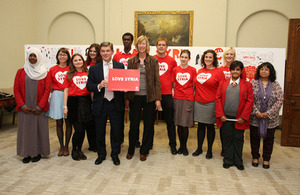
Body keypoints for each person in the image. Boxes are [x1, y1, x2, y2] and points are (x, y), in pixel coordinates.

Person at [87, 42, 125, 166]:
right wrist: (99, 85)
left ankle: (115, 154)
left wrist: (124, 88)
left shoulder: (120, 66)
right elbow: (89, 86)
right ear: (100, 53)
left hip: (115, 102)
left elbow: (123, 82)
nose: (105, 53)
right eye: (103, 51)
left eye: (108, 51)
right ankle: (101, 154)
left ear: (112, 52)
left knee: (116, 130)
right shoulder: (94, 68)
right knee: (99, 130)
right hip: (101, 103)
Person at [125, 35, 161, 161]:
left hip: (149, 98)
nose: (141, 46)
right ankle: (130, 149)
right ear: (136, 46)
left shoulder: (153, 61)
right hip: (135, 97)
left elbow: (157, 81)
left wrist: (158, 99)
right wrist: (127, 98)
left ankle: (144, 150)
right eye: (139, 43)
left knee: (148, 125)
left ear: (147, 46)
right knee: (133, 125)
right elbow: (128, 80)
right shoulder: (131, 61)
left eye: (144, 43)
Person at [14, 47, 51, 163]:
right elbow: (16, 89)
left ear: (39, 57)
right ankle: (26, 153)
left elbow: (47, 90)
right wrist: (22, 106)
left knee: (40, 130)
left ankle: (37, 152)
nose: (32, 58)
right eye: (30, 55)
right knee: (26, 130)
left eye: (35, 56)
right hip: (25, 107)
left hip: (39, 107)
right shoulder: (21, 72)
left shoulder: (45, 72)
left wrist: (40, 106)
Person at [215, 60, 253, 170]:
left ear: (241, 71)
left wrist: (243, 117)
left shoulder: (247, 85)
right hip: (225, 117)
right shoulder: (223, 83)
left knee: (238, 138)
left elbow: (249, 101)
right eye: (233, 69)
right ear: (230, 70)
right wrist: (221, 115)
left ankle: (238, 160)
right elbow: (217, 99)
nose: (235, 71)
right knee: (227, 138)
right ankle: (228, 159)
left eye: (238, 69)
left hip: (239, 119)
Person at [250, 62, 283, 169]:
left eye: (266, 69)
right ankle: (255, 157)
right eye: (262, 69)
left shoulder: (276, 85)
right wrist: (257, 112)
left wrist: (267, 114)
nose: (264, 71)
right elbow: (249, 99)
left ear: (270, 72)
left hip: (271, 119)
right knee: (254, 138)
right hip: (255, 117)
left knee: (269, 140)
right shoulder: (253, 83)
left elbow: (279, 100)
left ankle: (266, 159)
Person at [192, 50, 224, 159]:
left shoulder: (218, 72)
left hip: (211, 103)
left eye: (210, 57)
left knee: (210, 127)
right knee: (200, 126)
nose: (208, 59)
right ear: (203, 59)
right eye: (206, 57)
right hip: (198, 102)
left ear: (214, 59)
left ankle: (209, 150)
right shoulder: (200, 70)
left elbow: (221, 89)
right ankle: (199, 148)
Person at [63, 54, 93, 161]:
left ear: (83, 61)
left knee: (84, 129)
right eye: (75, 60)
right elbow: (66, 91)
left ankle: (79, 150)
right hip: (73, 103)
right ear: (72, 62)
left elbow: (91, 91)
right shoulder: (69, 74)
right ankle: (74, 150)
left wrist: (93, 103)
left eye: (80, 60)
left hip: (86, 102)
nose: (78, 62)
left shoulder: (88, 73)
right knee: (78, 129)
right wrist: (65, 106)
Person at [218, 47, 246, 157]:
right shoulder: (221, 69)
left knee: (237, 132)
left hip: (237, 103)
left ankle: (235, 152)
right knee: (224, 130)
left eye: (231, 54)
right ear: (224, 56)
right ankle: (225, 149)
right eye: (227, 54)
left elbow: (244, 84)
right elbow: (219, 85)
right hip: (224, 101)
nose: (229, 56)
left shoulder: (240, 68)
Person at [113, 32, 138, 146]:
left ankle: (135, 140)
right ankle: (120, 138)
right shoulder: (117, 56)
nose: (126, 41)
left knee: (134, 117)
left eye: (128, 39)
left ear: (132, 41)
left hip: (133, 90)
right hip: (119, 90)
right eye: (124, 39)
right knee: (119, 116)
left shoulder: (136, 54)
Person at [154, 38, 178, 155]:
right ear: (156, 46)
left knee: (170, 121)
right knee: (149, 122)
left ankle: (172, 145)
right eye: (159, 45)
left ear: (167, 47)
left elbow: (175, 78)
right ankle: (148, 144)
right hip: (153, 94)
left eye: (163, 45)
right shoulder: (152, 59)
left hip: (167, 94)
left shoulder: (172, 61)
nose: (161, 47)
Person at [48, 48, 72, 157]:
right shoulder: (53, 69)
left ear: (68, 56)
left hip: (69, 95)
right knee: (59, 123)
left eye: (64, 54)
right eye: (60, 55)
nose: (62, 57)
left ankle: (67, 146)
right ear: (57, 56)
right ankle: (61, 146)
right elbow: (50, 85)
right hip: (57, 95)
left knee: (68, 122)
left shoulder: (71, 68)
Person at [172, 50, 197, 156]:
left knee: (185, 124)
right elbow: (173, 84)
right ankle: (180, 146)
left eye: (186, 57)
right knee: (178, 124)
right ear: (179, 57)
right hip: (177, 98)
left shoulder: (193, 70)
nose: (183, 59)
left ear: (189, 59)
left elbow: (194, 85)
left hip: (188, 99)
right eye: (182, 57)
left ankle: (184, 146)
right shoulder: (175, 69)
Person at [84, 43, 101, 152]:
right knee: (88, 122)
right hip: (85, 96)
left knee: (97, 122)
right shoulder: (84, 64)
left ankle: (97, 143)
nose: (92, 53)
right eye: (91, 51)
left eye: (95, 51)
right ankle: (91, 144)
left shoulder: (100, 64)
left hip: (97, 95)